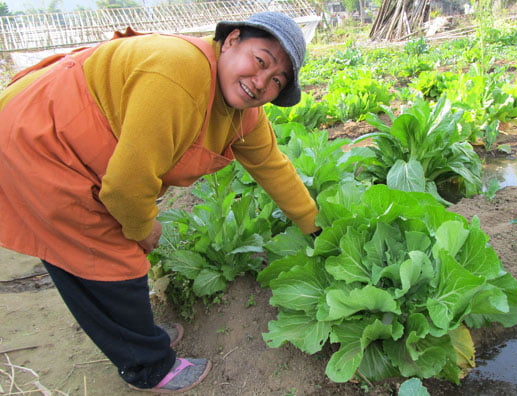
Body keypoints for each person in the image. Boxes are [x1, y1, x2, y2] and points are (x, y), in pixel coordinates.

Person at [0, 11, 319, 394]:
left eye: (276, 81)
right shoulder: (180, 73)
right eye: (261, 61)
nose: (260, 82)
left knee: (112, 255)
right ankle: (147, 364)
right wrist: (143, 227)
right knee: (106, 259)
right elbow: (124, 187)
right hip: (40, 139)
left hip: (79, 148)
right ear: (231, 40)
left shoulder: (244, 113)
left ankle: (137, 333)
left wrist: (315, 226)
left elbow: (273, 168)